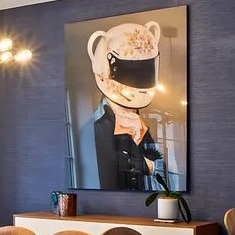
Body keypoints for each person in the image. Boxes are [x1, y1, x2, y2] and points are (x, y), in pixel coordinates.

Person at [72, 20, 168, 190]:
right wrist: (145, 165)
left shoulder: (140, 123)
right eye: (131, 72)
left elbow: (160, 163)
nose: (139, 82)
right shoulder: (96, 128)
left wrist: (149, 165)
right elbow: (105, 178)